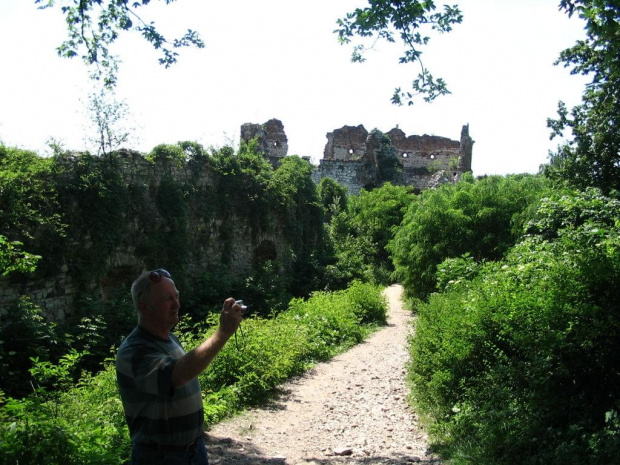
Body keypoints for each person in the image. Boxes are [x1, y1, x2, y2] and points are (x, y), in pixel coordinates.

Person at [116, 268, 243, 464]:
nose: (176, 304)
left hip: (193, 450)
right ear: (144, 307)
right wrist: (222, 333)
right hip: (160, 457)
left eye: (176, 296)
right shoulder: (134, 351)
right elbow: (179, 374)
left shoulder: (168, 338)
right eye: (167, 299)